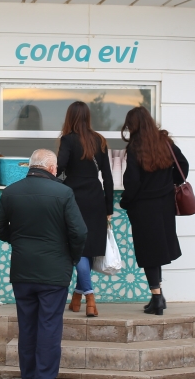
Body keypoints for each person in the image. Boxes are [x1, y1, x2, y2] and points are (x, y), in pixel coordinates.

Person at [0, 149, 87, 379]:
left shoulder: (12, 192)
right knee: (49, 329)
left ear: (31, 166)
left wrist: (16, 239)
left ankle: (29, 375)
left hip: (22, 271)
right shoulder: (64, 193)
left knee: (28, 329)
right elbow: (79, 232)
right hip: (54, 273)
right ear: (52, 169)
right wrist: (71, 256)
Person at [118, 107, 187, 316]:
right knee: (158, 250)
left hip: (144, 207)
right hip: (165, 204)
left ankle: (156, 298)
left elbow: (132, 181)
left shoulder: (135, 148)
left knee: (150, 252)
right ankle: (159, 295)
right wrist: (168, 184)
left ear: (134, 125)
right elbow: (183, 166)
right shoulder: (165, 141)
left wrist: (125, 201)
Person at [57, 101, 114, 317]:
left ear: (69, 117)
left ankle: (89, 295)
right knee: (87, 249)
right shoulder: (98, 140)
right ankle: (78, 297)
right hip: (96, 197)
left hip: (74, 198)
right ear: (88, 117)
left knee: (78, 248)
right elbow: (107, 176)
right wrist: (109, 206)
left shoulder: (68, 139)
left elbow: (60, 166)